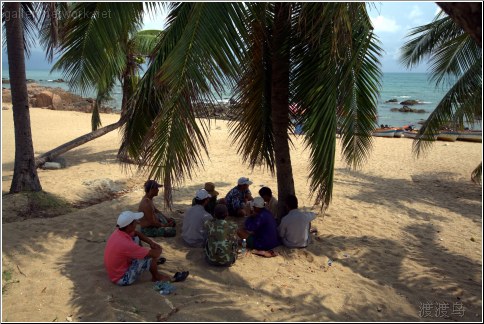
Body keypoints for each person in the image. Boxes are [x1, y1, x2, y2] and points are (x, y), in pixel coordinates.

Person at [104, 211, 189, 285]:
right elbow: (155, 253)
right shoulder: (126, 244)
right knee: (151, 258)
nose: (137, 222)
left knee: (136, 238)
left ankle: (150, 265)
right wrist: (158, 248)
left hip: (115, 272)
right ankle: (156, 277)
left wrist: (150, 242)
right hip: (121, 278)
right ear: (129, 226)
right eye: (135, 222)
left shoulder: (119, 232)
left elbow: (136, 233)